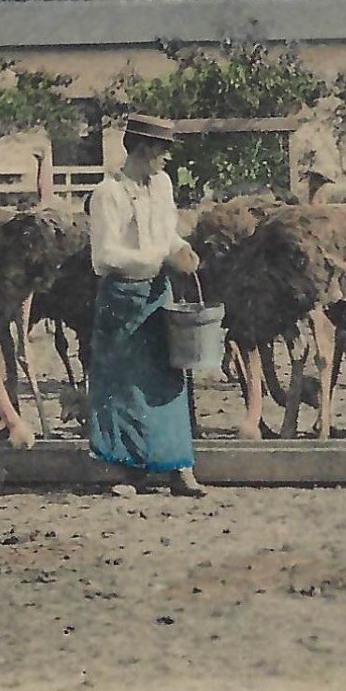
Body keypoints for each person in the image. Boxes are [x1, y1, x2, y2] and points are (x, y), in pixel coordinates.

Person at [85, 115, 206, 497]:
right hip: (121, 297)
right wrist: (158, 258)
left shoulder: (161, 185)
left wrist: (180, 248)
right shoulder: (108, 193)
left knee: (168, 380)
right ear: (142, 149)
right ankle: (125, 472)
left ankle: (178, 467)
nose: (166, 158)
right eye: (162, 150)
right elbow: (104, 256)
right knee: (123, 385)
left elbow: (165, 232)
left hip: (158, 293)